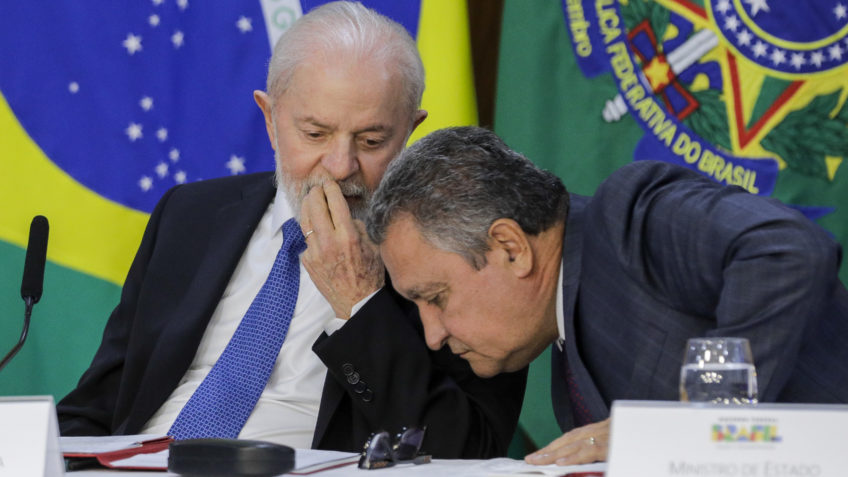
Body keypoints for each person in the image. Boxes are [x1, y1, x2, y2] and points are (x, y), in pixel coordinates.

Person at [57, 4, 526, 458]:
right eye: (315, 134)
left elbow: (465, 451)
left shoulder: (455, 244)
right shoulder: (189, 216)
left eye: (371, 141)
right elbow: (95, 410)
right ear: (270, 118)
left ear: (410, 131)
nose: (340, 167)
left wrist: (360, 303)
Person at [366, 126, 848, 465]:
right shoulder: (562, 337)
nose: (432, 335)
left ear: (511, 248)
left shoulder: (628, 219)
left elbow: (786, 250)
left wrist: (698, 417)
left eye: (436, 297)